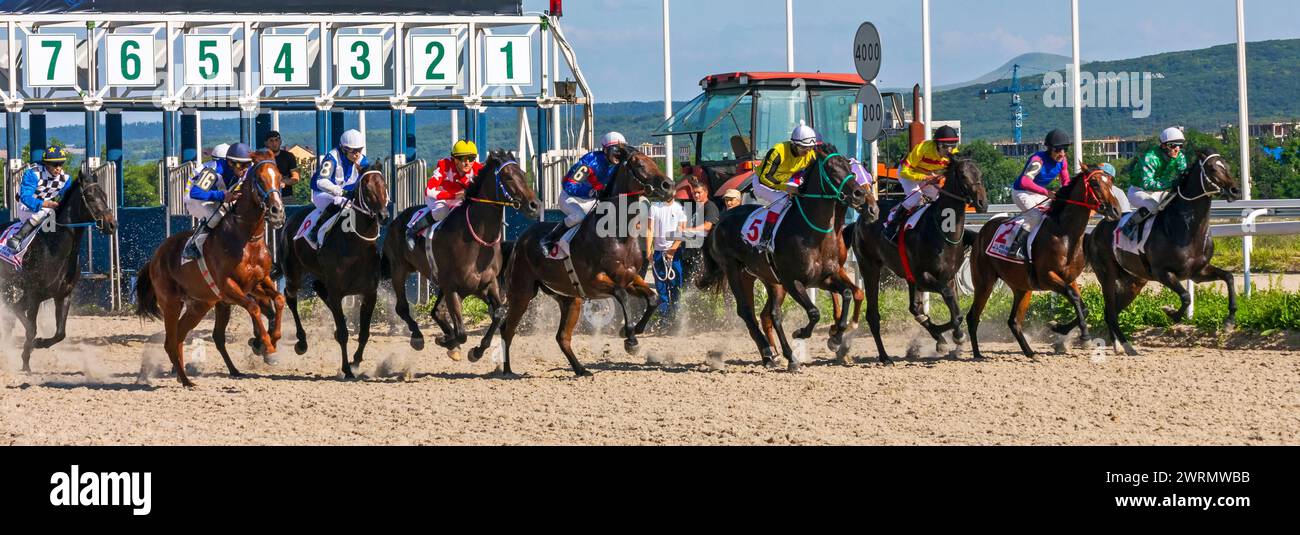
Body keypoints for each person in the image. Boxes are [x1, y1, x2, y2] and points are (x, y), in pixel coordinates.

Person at [541, 131, 629, 256]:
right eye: (615, 150)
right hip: (571, 198)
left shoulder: (619, 165)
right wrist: (592, 192)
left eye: (621, 151)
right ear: (605, 150)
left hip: (591, 200)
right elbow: (569, 184)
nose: (618, 155)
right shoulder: (590, 162)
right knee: (579, 216)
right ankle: (550, 239)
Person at [883, 125, 961, 239]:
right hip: (908, 173)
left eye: (952, 146)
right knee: (916, 198)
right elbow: (905, 172)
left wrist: (939, 177)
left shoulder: (953, 153)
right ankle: (892, 225)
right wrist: (924, 177)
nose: (949, 150)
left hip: (928, 174)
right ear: (937, 145)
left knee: (938, 199)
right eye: (945, 146)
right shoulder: (923, 148)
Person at [751, 121, 818, 250]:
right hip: (761, 183)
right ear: (794, 144)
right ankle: (765, 238)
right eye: (803, 148)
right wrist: (786, 188)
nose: (807, 151)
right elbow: (765, 178)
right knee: (780, 201)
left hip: (784, 182)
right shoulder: (778, 152)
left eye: (810, 148)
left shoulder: (810, 154)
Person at [0, 146, 73, 265]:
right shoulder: (33, 173)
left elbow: (67, 198)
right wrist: (45, 203)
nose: (58, 169)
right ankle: (17, 237)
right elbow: (25, 197)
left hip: (47, 210)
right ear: (47, 164)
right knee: (45, 211)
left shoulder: (65, 179)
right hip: (27, 208)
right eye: (55, 165)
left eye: (61, 164)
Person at [406, 140, 483, 250]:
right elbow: (429, 190)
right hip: (437, 197)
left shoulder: (478, 169)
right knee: (442, 211)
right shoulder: (444, 165)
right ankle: (412, 231)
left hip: (458, 199)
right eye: (463, 158)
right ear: (455, 159)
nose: (467, 163)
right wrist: (453, 196)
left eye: (471, 158)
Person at [182, 143, 253, 259]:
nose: (245, 168)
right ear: (230, 162)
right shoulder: (214, 170)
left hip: (213, 195)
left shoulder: (242, 167)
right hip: (194, 199)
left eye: (247, 164)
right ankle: (192, 244)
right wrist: (222, 195)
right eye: (242, 165)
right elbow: (195, 193)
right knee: (216, 217)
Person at [301, 129, 370, 249]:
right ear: (344, 149)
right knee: (339, 201)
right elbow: (321, 181)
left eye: (359, 150)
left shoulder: (362, 161)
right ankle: (315, 231)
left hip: (348, 195)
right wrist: (341, 192)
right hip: (323, 193)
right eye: (353, 151)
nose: (357, 154)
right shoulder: (331, 158)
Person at [1009, 129, 1073, 255]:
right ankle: (1016, 247)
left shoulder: (1063, 161)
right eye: (1058, 150)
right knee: (1036, 217)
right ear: (1049, 149)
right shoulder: (1038, 160)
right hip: (1021, 192)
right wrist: (1047, 193)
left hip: (1038, 193)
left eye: (1064, 149)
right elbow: (1025, 182)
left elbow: (1066, 182)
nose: (1062, 153)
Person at [1121, 127, 1188, 240]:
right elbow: (1148, 184)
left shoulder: (1179, 156)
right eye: (1173, 145)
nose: (1177, 149)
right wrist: (1172, 183)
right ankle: (1129, 225)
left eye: (1180, 145)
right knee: (1153, 206)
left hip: (1160, 191)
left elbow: (1184, 173)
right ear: (1163, 146)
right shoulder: (1150, 158)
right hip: (1139, 191)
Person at [646, 191, 687, 330]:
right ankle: (664, 320)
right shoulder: (654, 207)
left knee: (676, 287)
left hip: (673, 253)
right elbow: (650, 229)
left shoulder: (679, 208)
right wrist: (649, 250)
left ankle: (676, 318)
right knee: (661, 288)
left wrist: (673, 250)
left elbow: (681, 231)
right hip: (659, 252)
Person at [680, 177, 721, 284]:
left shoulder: (710, 207)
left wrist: (688, 230)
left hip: (704, 250)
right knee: (687, 279)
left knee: (699, 279)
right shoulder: (694, 207)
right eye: (694, 193)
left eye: (699, 192)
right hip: (690, 249)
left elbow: (708, 226)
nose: (696, 195)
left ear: (706, 192)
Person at [263, 131, 301, 196]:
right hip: (266, 197)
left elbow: (296, 178)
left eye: (276, 140)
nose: (274, 143)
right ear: (266, 143)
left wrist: (283, 182)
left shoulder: (289, 156)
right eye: (271, 141)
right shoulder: (262, 159)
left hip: (286, 196)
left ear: (280, 142)